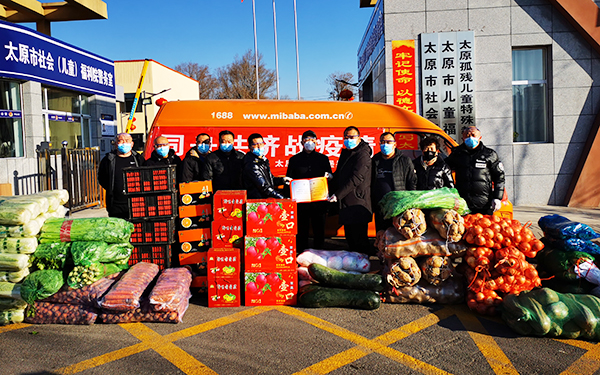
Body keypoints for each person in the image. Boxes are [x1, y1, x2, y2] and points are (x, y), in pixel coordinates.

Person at [286, 130, 333, 252]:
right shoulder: (294, 160)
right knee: (302, 231)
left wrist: (330, 177)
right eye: (307, 140)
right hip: (301, 203)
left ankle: (319, 256)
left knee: (319, 231)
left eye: (312, 140)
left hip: (319, 201)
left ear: (317, 142)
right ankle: (301, 254)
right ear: (302, 142)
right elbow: (289, 180)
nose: (310, 143)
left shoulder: (323, 159)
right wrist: (288, 198)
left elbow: (329, 177)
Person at [329, 126, 372, 254]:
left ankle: (363, 267)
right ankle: (354, 266)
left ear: (359, 138)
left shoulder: (362, 154)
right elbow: (341, 173)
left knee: (359, 240)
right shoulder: (346, 153)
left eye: (352, 137)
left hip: (357, 203)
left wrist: (337, 195)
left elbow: (356, 178)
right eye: (346, 137)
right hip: (346, 203)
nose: (349, 140)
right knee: (350, 240)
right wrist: (333, 177)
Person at [445, 126, 505, 215]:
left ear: (480, 137)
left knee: (483, 228)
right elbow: (444, 169)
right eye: (467, 135)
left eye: (473, 135)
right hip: (463, 203)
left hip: (484, 204)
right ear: (463, 138)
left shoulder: (490, 154)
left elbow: (499, 176)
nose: (470, 138)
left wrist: (497, 197)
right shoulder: (457, 154)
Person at [371, 132, 418, 232]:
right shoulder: (375, 160)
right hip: (381, 206)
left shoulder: (405, 160)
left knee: (398, 234)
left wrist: (410, 204)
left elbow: (411, 182)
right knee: (381, 234)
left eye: (388, 142)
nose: (385, 145)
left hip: (399, 206)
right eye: (383, 142)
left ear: (395, 144)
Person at [98, 133, 144, 220]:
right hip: (115, 203)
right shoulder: (108, 159)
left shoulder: (138, 159)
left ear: (132, 144)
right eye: (121, 141)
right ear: (116, 144)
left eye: (127, 141)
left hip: (136, 202)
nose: (124, 143)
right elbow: (102, 178)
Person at [242, 133, 290, 199]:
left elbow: (270, 180)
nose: (259, 147)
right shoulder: (251, 164)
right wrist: (282, 198)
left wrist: (282, 180)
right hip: (257, 200)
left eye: (261, 144)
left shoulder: (262, 160)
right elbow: (263, 186)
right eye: (255, 145)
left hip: (264, 199)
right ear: (249, 147)